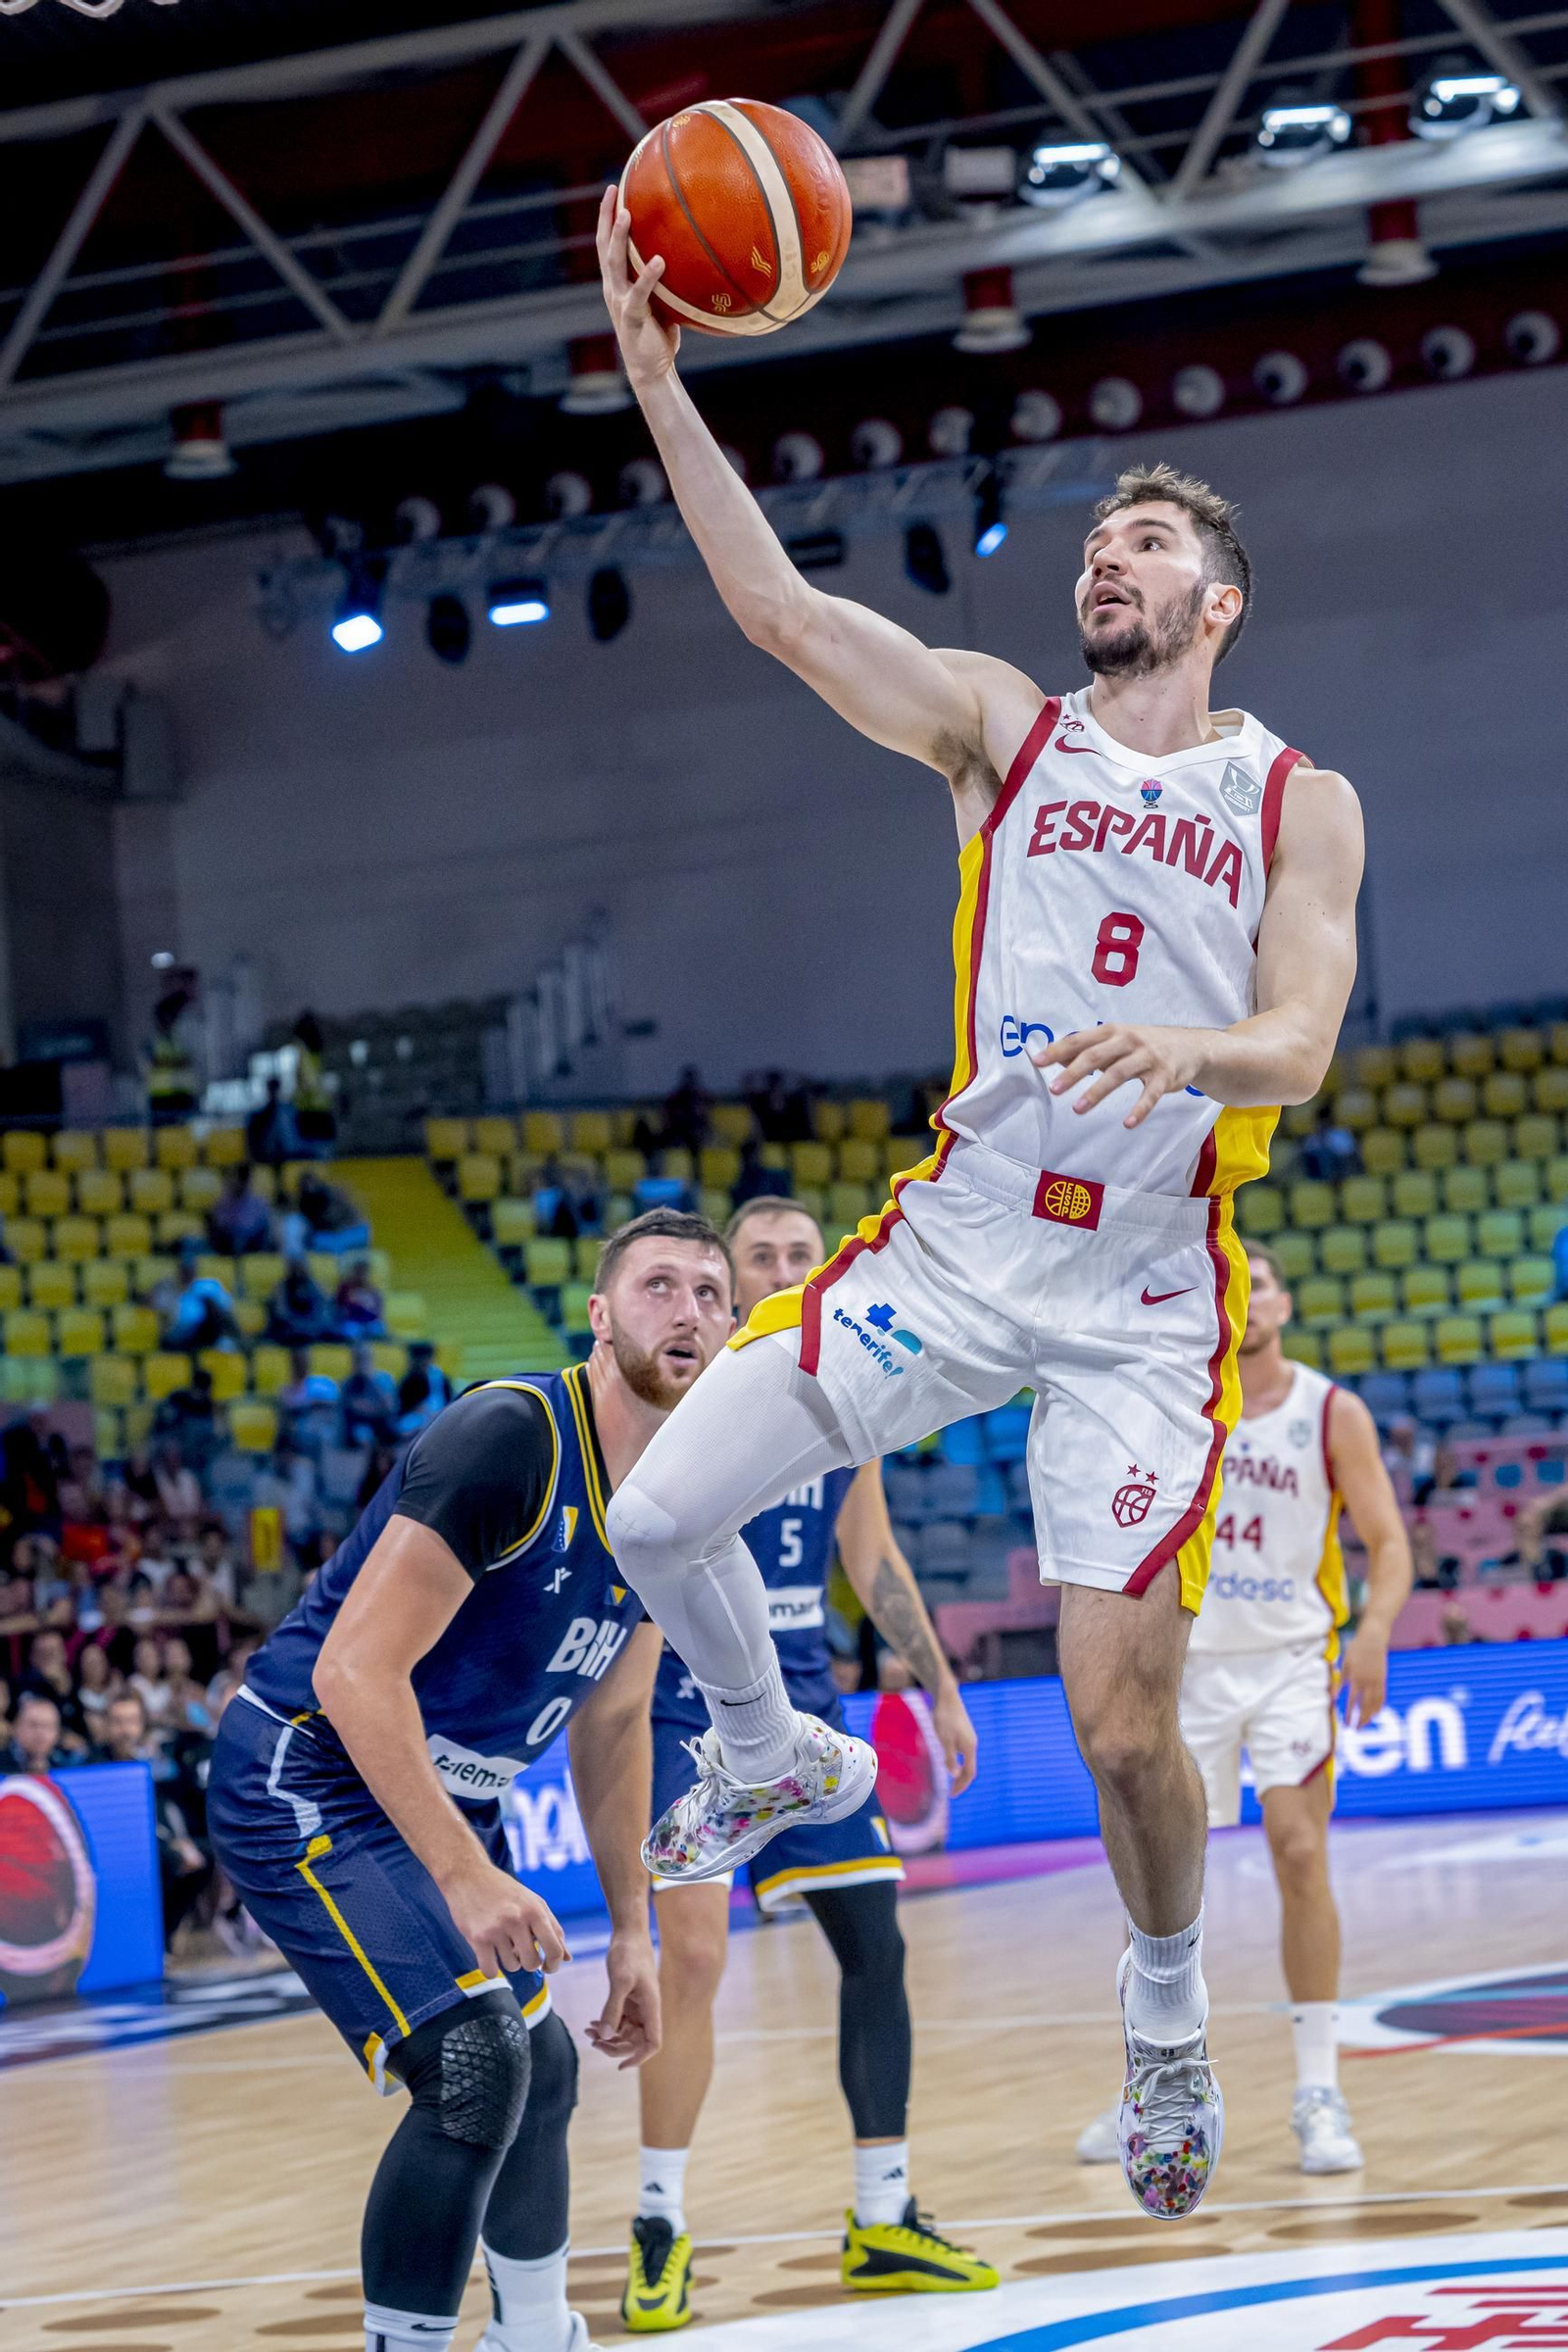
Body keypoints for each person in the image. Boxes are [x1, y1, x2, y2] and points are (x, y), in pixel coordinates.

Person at [595, 192, 1364, 2222]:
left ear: (1215, 602)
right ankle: (769, 1745)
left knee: (1121, 1740)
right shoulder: (993, 730)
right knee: (655, 1514)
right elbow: (778, 613)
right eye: (1093, 538)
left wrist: (1180, 1057)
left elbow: (1295, 1044)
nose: (1104, 554)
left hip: (1137, 1292)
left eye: (1144, 544)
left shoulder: (1294, 799)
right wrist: (662, 387)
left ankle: (1170, 1998)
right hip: (952, 1245)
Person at [206, 1209, 742, 2352]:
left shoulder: (680, 1505)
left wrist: (633, 1934)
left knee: (540, 2065)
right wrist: (464, 1874)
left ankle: (539, 2335)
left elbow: (613, 1729)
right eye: (658, 1285)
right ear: (600, 1317)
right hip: (302, 1770)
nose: (687, 1309)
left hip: (432, 1801)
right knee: (472, 2059)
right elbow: (354, 1672)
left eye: (710, 1292)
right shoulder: (510, 1437)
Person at [623, 1199, 993, 2329]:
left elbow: (867, 1554)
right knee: (689, 1963)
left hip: (813, 1723)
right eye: (762, 1257)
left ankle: (882, 2217)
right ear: (725, 1285)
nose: (786, 1267)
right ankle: (658, 2222)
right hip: (689, 1717)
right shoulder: (677, 1397)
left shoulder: (846, 1390)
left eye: (801, 1254)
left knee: (876, 1948)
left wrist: (935, 1680)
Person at [1076, 1246, 1411, 2176]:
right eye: (1237, 1282)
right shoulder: (1175, 1400)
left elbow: (1387, 1542)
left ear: (1285, 1304)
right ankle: (1153, 2072)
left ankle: (1319, 2088)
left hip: (1289, 1660)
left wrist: (1377, 1629)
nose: (1250, 1297)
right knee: (1155, 1885)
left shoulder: (1329, 1410)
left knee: (1301, 1853)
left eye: (1262, 1284)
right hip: (1181, 1664)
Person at [207, 1162, 274, 1257]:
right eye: (234, 1179)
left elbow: (260, 1228)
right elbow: (220, 1225)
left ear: (246, 1181)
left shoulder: (259, 1203)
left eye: (242, 1179)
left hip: (251, 1244)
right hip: (227, 1245)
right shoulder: (221, 1203)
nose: (237, 1183)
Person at [341, 1342, 399, 1450]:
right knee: (362, 1434)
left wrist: (371, 1380)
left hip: (384, 1427)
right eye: (358, 1360)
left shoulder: (384, 1379)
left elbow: (389, 1407)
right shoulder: (348, 1384)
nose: (361, 1363)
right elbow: (355, 1408)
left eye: (364, 1359)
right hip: (360, 1429)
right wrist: (376, 1409)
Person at [2, 1690, 72, 1775]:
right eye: (33, 1725)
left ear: (58, 1732)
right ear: (16, 1727)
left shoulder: (70, 1764)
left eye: (47, 1726)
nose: (40, 1733)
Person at [334, 1257, 386, 1338]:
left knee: (378, 1329)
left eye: (364, 1272)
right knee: (350, 1331)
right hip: (352, 1321)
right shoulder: (346, 1288)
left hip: (370, 1322)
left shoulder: (373, 1290)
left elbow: (378, 1310)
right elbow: (339, 1305)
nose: (362, 1275)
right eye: (359, 1271)